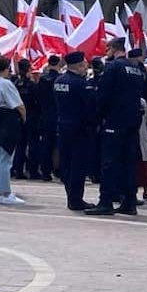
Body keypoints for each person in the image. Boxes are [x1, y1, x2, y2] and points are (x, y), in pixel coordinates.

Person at [88, 41, 147, 217]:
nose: (106, 52)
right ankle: (129, 201)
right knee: (129, 162)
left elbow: (103, 94)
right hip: (133, 119)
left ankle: (106, 201)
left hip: (114, 119)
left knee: (109, 162)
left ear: (114, 49)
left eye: (108, 48)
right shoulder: (136, 68)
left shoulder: (113, 67)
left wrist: (100, 115)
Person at [53, 51, 95, 211]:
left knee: (67, 164)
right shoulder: (81, 83)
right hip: (79, 128)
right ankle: (76, 199)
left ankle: (70, 196)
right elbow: (88, 107)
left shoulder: (59, 81)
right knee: (78, 165)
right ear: (78, 66)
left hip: (63, 126)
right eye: (84, 64)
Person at [0, 55, 26, 205]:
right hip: (7, 120)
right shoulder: (6, 83)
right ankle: (5, 192)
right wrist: (24, 118)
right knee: (6, 158)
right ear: (5, 68)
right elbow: (19, 105)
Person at [24, 55, 59, 182]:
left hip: (44, 115)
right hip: (57, 115)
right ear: (58, 64)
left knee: (45, 144)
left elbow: (37, 97)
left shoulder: (43, 80)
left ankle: (45, 171)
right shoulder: (59, 79)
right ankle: (58, 170)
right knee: (57, 145)